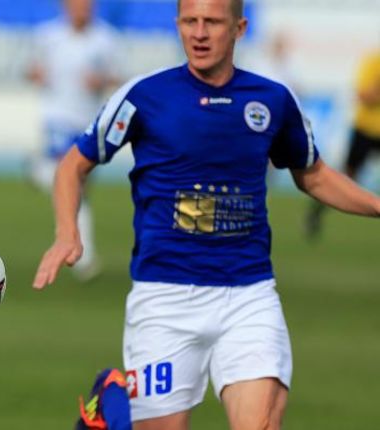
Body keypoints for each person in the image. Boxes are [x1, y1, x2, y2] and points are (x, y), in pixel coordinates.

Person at [34, 0, 380, 429]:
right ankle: (107, 405)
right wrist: (67, 232)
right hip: (163, 298)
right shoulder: (144, 96)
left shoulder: (272, 99)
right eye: (189, 21)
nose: (199, 33)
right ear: (178, 25)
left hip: (248, 295)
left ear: (239, 27)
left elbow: (315, 176)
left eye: (212, 22)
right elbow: (73, 165)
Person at [26, 0, 120, 280]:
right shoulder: (47, 36)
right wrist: (37, 74)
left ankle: (38, 171)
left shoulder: (106, 39)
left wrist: (101, 81)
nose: (82, 8)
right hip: (57, 117)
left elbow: (119, 77)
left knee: (79, 188)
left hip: (90, 121)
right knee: (73, 181)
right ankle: (82, 255)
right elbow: (30, 69)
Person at [305, 48, 380, 238]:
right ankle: (315, 214)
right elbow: (363, 95)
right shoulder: (372, 62)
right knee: (346, 177)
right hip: (366, 129)